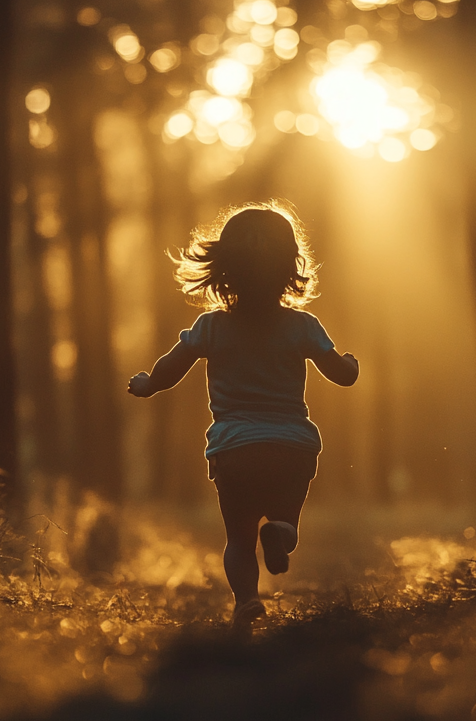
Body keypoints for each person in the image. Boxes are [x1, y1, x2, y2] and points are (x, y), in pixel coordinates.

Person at [127, 203, 358, 634]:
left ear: (223, 269)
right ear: (291, 267)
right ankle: (283, 532)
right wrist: (351, 363)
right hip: (292, 446)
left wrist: (146, 384)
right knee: (284, 518)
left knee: (238, 537)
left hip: (235, 448)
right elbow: (342, 377)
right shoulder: (303, 326)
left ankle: (247, 601)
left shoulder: (210, 327)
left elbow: (168, 371)